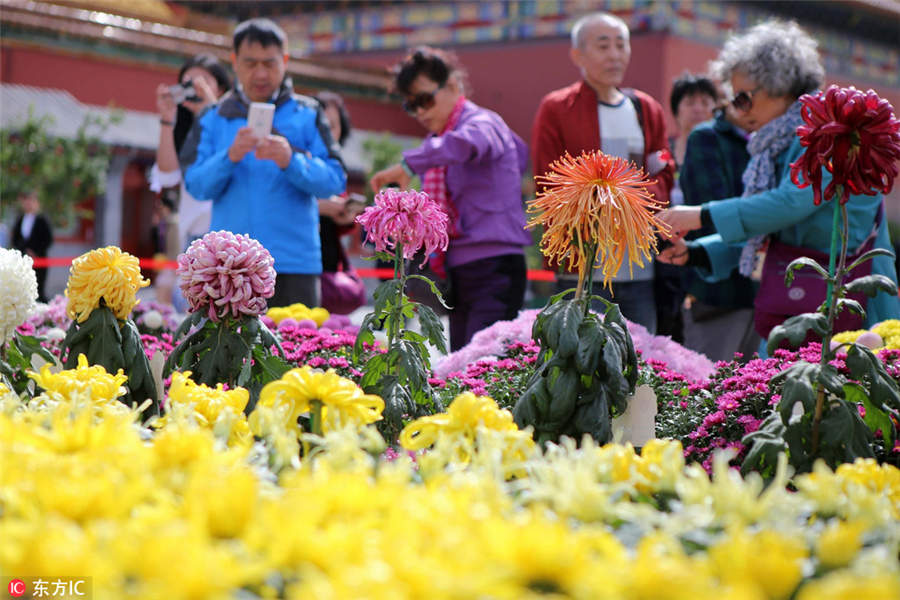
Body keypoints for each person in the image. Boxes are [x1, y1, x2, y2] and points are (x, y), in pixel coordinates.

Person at [657, 20, 899, 348]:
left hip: (848, 295)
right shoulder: (777, 142)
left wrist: (701, 215)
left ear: (779, 84)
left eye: (743, 97)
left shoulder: (829, 131)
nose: (738, 110)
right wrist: (696, 253)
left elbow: (790, 203)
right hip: (803, 293)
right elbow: (770, 232)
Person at [370, 47, 532, 352]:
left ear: (454, 86)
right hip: (457, 270)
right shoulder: (437, 144)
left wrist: (408, 164)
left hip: (494, 268)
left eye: (424, 99)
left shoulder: (482, 122)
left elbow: (467, 144)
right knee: (463, 367)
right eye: (410, 105)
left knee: (483, 366)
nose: (419, 111)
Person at [182, 19, 346, 309]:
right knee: (230, 354)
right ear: (234, 62)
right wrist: (229, 156)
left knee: (298, 351)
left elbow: (335, 179)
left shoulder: (308, 113)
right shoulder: (213, 116)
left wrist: (291, 161)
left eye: (269, 64)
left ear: (285, 61)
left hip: (294, 264)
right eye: (250, 63)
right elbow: (195, 184)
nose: (260, 73)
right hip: (229, 268)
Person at [531, 12, 674, 333]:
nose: (614, 54)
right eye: (603, 45)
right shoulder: (557, 108)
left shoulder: (647, 109)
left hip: (639, 268)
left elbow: (664, 169)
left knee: (642, 366)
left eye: (621, 45)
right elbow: (546, 181)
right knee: (580, 364)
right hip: (581, 268)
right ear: (577, 54)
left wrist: (630, 204)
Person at [677, 97, 759, 361]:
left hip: (757, 291)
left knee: (746, 393)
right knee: (706, 387)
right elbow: (710, 217)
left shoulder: (765, 139)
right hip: (717, 290)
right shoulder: (706, 136)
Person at [656, 73, 718, 342]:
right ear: (676, 110)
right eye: (690, 102)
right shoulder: (661, 155)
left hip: (706, 248)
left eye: (706, 102)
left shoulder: (722, 156)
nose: (698, 109)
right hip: (665, 251)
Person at [152, 53, 232, 254]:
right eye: (187, 84)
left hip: (232, 232)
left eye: (203, 82)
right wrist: (167, 120)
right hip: (195, 234)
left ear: (221, 89)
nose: (194, 88)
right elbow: (168, 175)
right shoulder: (184, 129)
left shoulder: (233, 122)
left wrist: (211, 110)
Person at [12, 190, 53, 302]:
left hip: (39, 260)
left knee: (39, 290)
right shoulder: (20, 219)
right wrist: (25, 251)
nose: (29, 204)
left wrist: (35, 251)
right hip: (24, 260)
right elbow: (15, 239)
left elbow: (48, 240)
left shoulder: (42, 220)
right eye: (27, 201)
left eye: (32, 201)